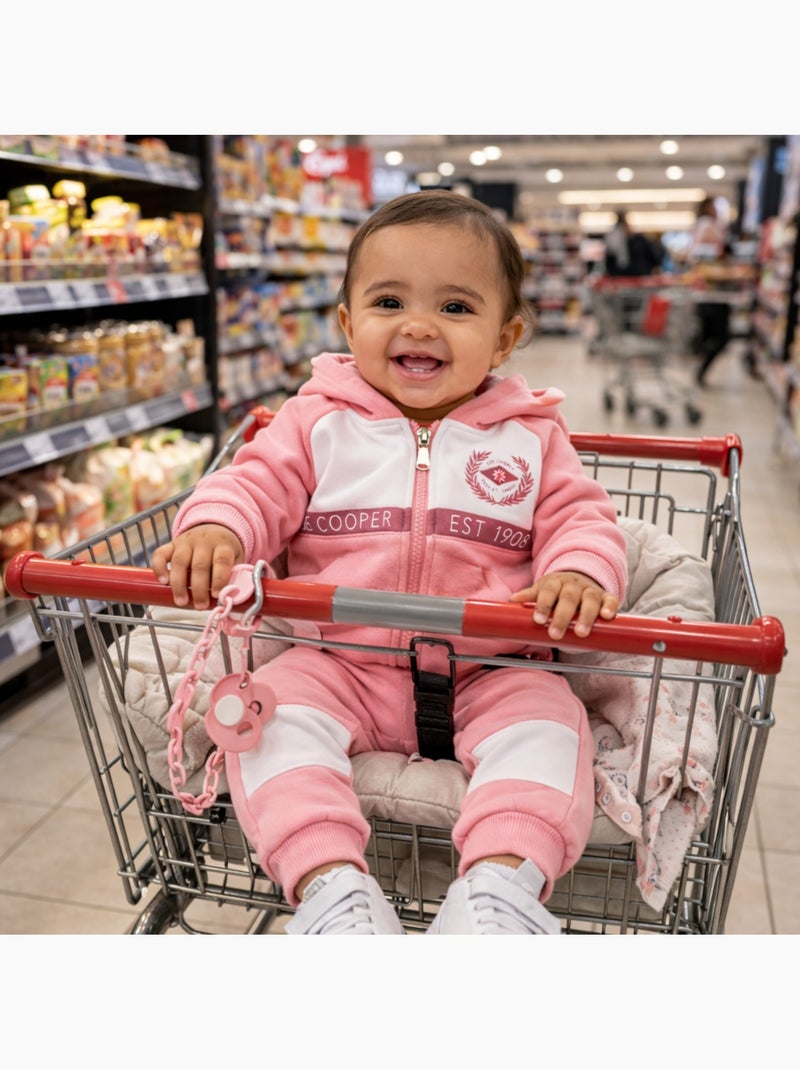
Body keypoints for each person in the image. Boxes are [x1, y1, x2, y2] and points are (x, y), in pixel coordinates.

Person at [151, 190, 629, 936]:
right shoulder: (316, 422)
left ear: (505, 340)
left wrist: (580, 570)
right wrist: (216, 528)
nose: (417, 325)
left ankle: (501, 892)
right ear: (347, 324)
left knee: (553, 724)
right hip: (337, 660)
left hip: (491, 668)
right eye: (387, 300)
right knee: (270, 715)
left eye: (456, 308)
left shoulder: (531, 437)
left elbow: (581, 515)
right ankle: (330, 889)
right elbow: (253, 484)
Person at [690, 195, 732, 387]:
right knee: (720, 337)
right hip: (713, 292)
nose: (717, 209)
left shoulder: (707, 225)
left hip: (710, 291)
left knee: (710, 336)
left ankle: (701, 368)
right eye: (714, 206)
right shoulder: (707, 225)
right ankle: (701, 369)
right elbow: (699, 254)